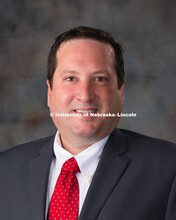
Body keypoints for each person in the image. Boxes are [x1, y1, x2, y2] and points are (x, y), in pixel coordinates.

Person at [0, 26, 176, 220]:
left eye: (100, 79)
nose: (85, 95)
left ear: (121, 92)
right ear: (50, 93)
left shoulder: (169, 168)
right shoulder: (5, 170)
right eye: (70, 78)